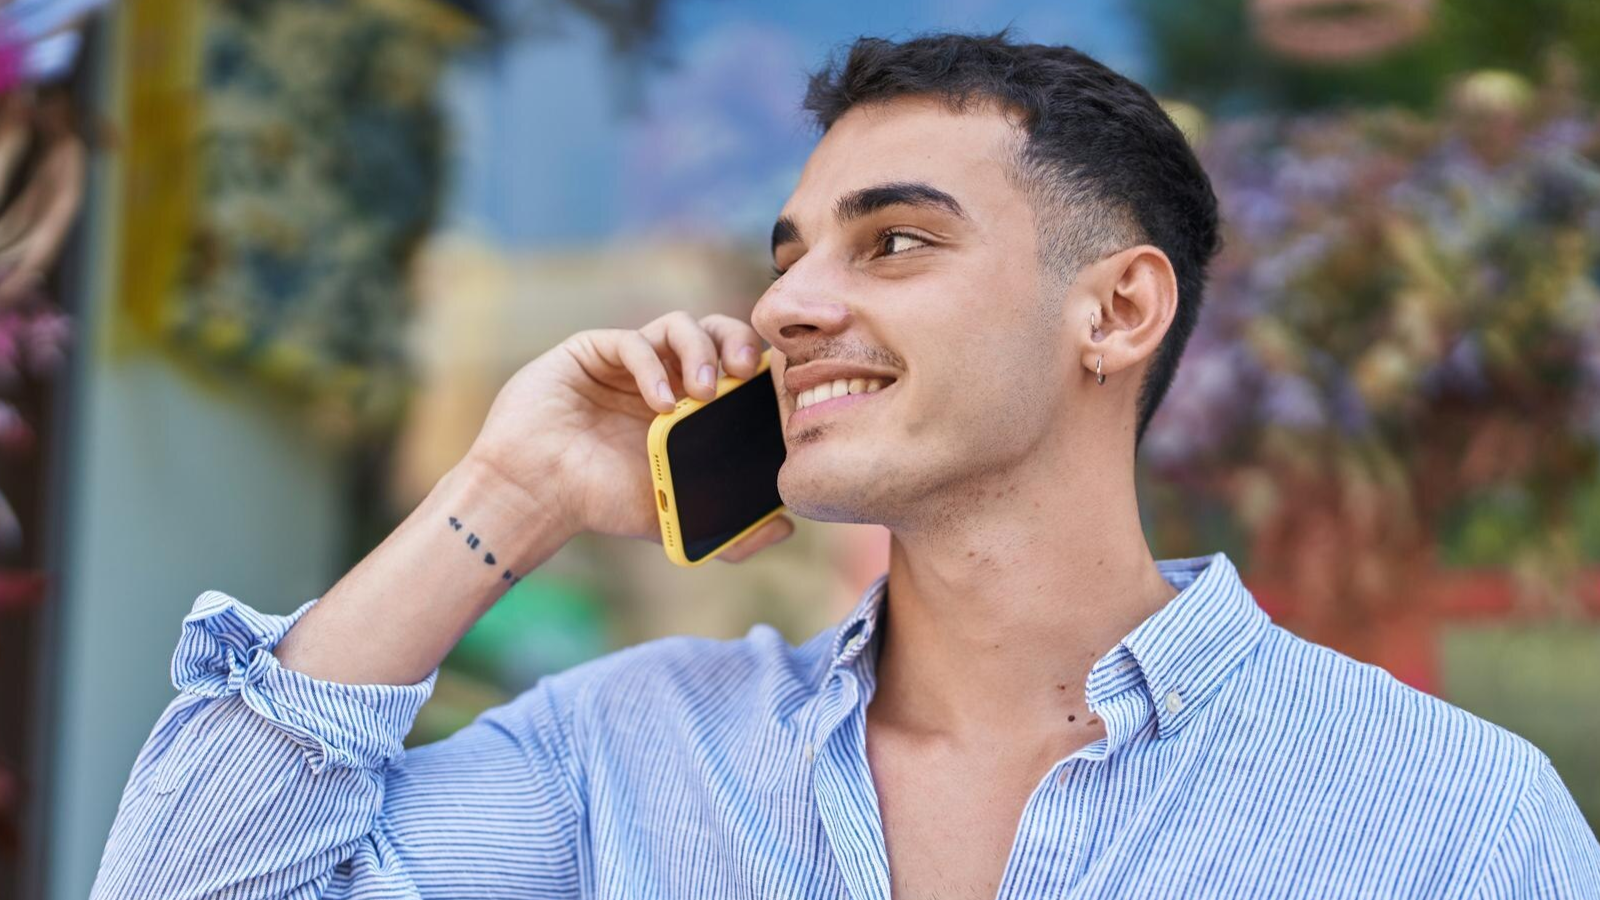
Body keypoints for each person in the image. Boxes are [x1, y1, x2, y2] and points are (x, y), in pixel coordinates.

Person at [92, 31, 1599, 899]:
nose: (791, 304)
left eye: (896, 242)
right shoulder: (625, 755)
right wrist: (512, 494)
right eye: (790, 253)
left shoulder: (1448, 817)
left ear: (1118, 309)